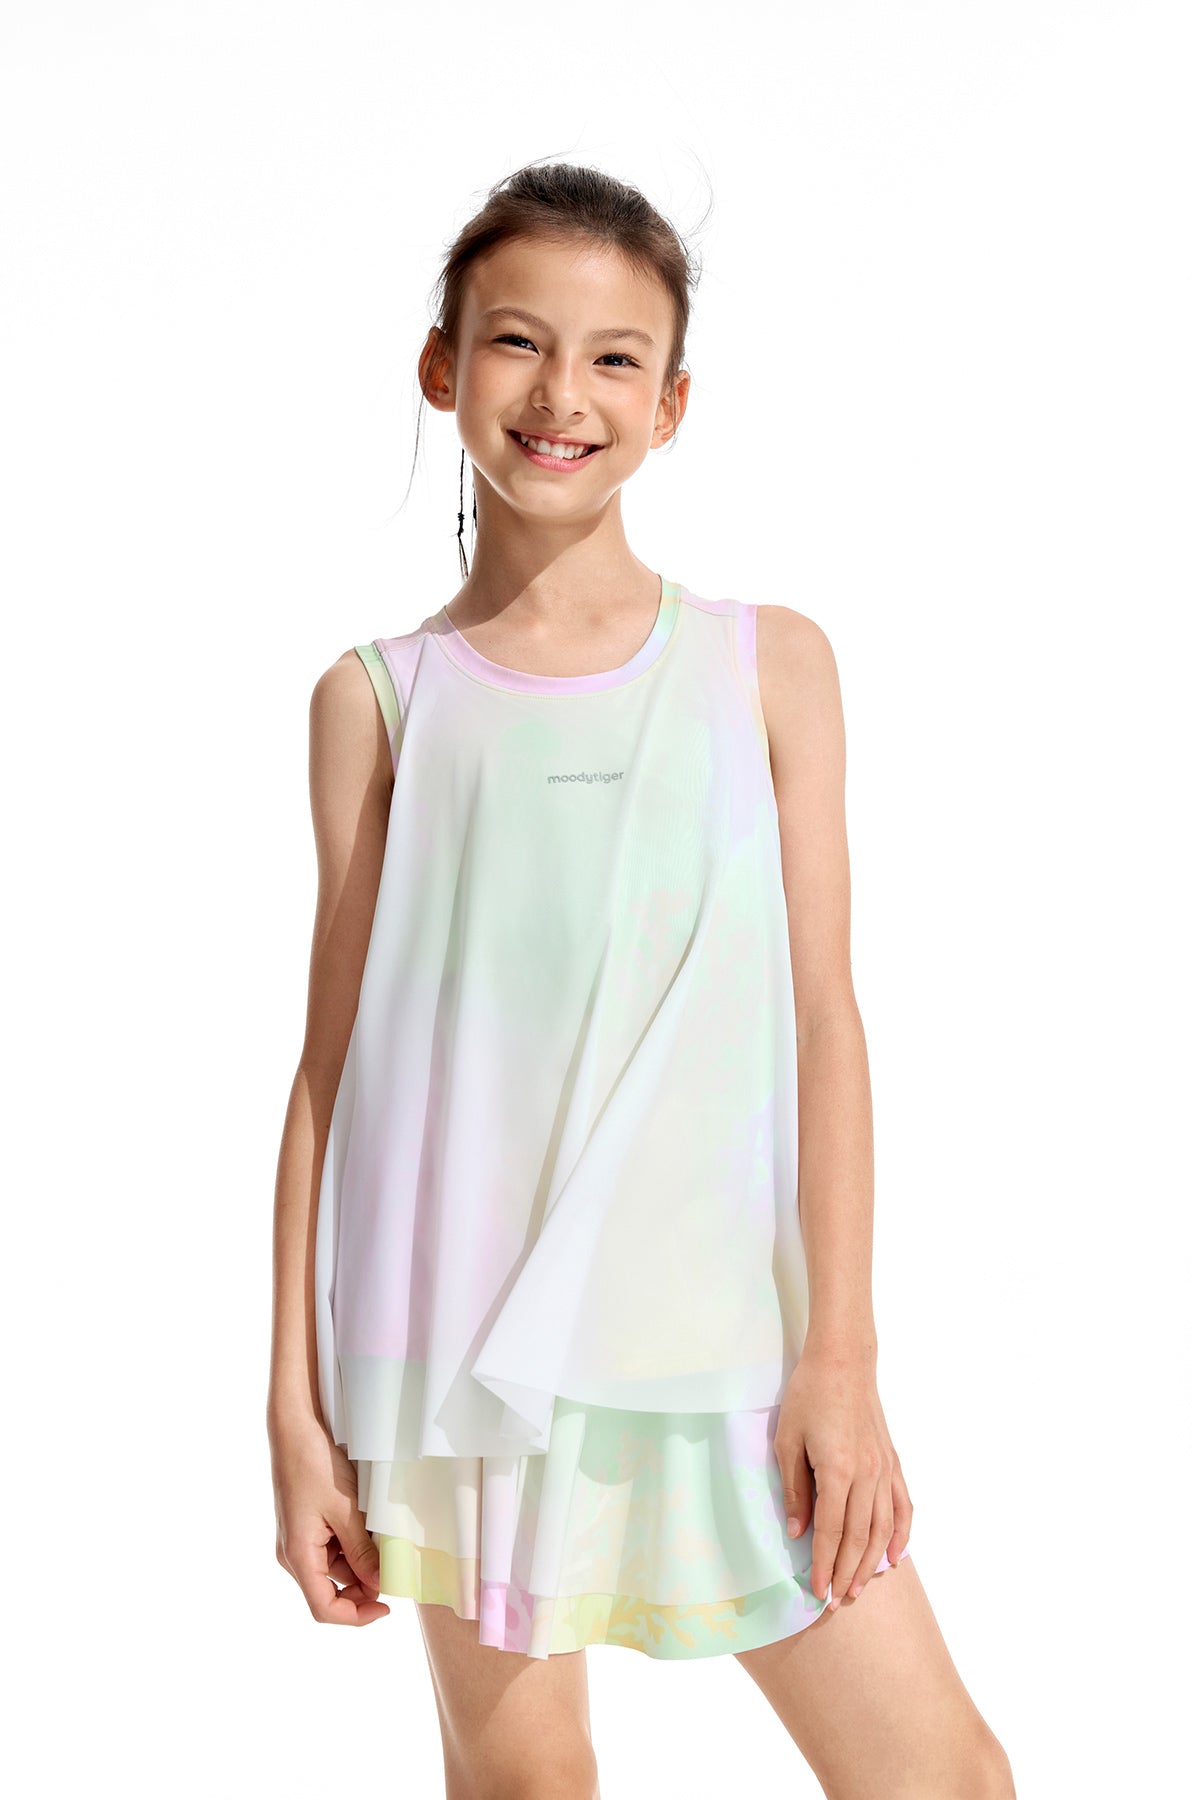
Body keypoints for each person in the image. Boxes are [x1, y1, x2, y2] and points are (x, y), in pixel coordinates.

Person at [267, 159, 1016, 1800]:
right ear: (442, 367)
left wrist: (842, 1359)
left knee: (940, 1777)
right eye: (517, 341)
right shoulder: (379, 703)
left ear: (672, 405)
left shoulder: (769, 665)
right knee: (530, 1788)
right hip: (451, 1353)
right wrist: (296, 1415)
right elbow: (332, 1071)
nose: (563, 395)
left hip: (722, 1340)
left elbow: (826, 1020)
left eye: (616, 358)